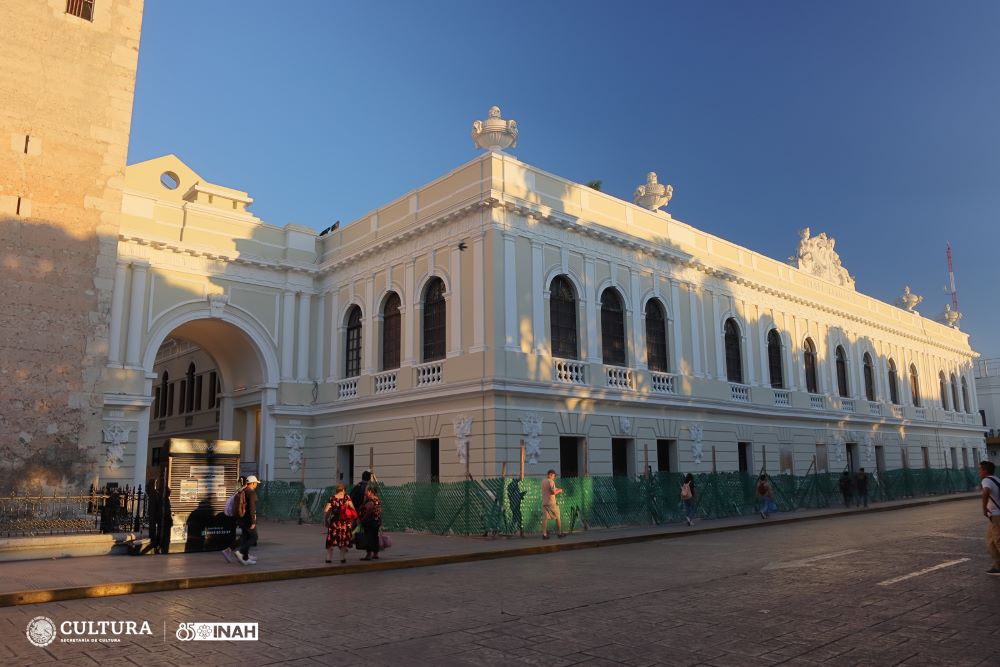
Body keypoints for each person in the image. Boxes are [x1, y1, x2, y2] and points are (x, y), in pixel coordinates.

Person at [323, 483, 356, 564]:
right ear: (343, 490)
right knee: (343, 540)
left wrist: (326, 520)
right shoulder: (347, 498)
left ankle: (328, 558)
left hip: (334, 522)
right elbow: (353, 508)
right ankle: (342, 558)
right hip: (345, 523)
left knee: (331, 540)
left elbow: (326, 511)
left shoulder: (332, 498)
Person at [978, 461, 1000, 575]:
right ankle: (998, 565)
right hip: (995, 515)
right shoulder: (996, 479)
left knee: (998, 540)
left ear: (985, 471)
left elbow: (986, 492)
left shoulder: (986, 480)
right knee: (991, 541)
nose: (979, 472)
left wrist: (984, 508)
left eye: (980, 470)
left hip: (996, 515)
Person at [236, 475, 259, 565]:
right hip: (249, 519)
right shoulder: (251, 492)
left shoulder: (243, 490)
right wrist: (253, 521)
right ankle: (241, 552)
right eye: (256, 483)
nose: (256, 484)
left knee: (245, 537)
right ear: (252, 483)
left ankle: (245, 558)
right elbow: (252, 508)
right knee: (254, 537)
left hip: (242, 518)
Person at [540, 469, 566, 539]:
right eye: (554, 476)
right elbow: (553, 492)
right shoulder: (551, 481)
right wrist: (559, 491)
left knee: (545, 519)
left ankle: (544, 534)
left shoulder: (543, 481)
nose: (554, 477)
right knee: (558, 517)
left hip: (544, 502)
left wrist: (558, 489)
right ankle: (559, 533)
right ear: (550, 475)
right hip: (551, 503)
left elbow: (550, 489)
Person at [359, 484, 382, 561]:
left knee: (368, 537)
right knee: (375, 537)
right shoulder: (377, 499)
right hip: (376, 521)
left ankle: (368, 554)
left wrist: (363, 519)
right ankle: (375, 553)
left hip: (369, 521)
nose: (364, 492)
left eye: (366, 490)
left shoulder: (370, 500)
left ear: (370, 491)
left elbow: (369, 509)